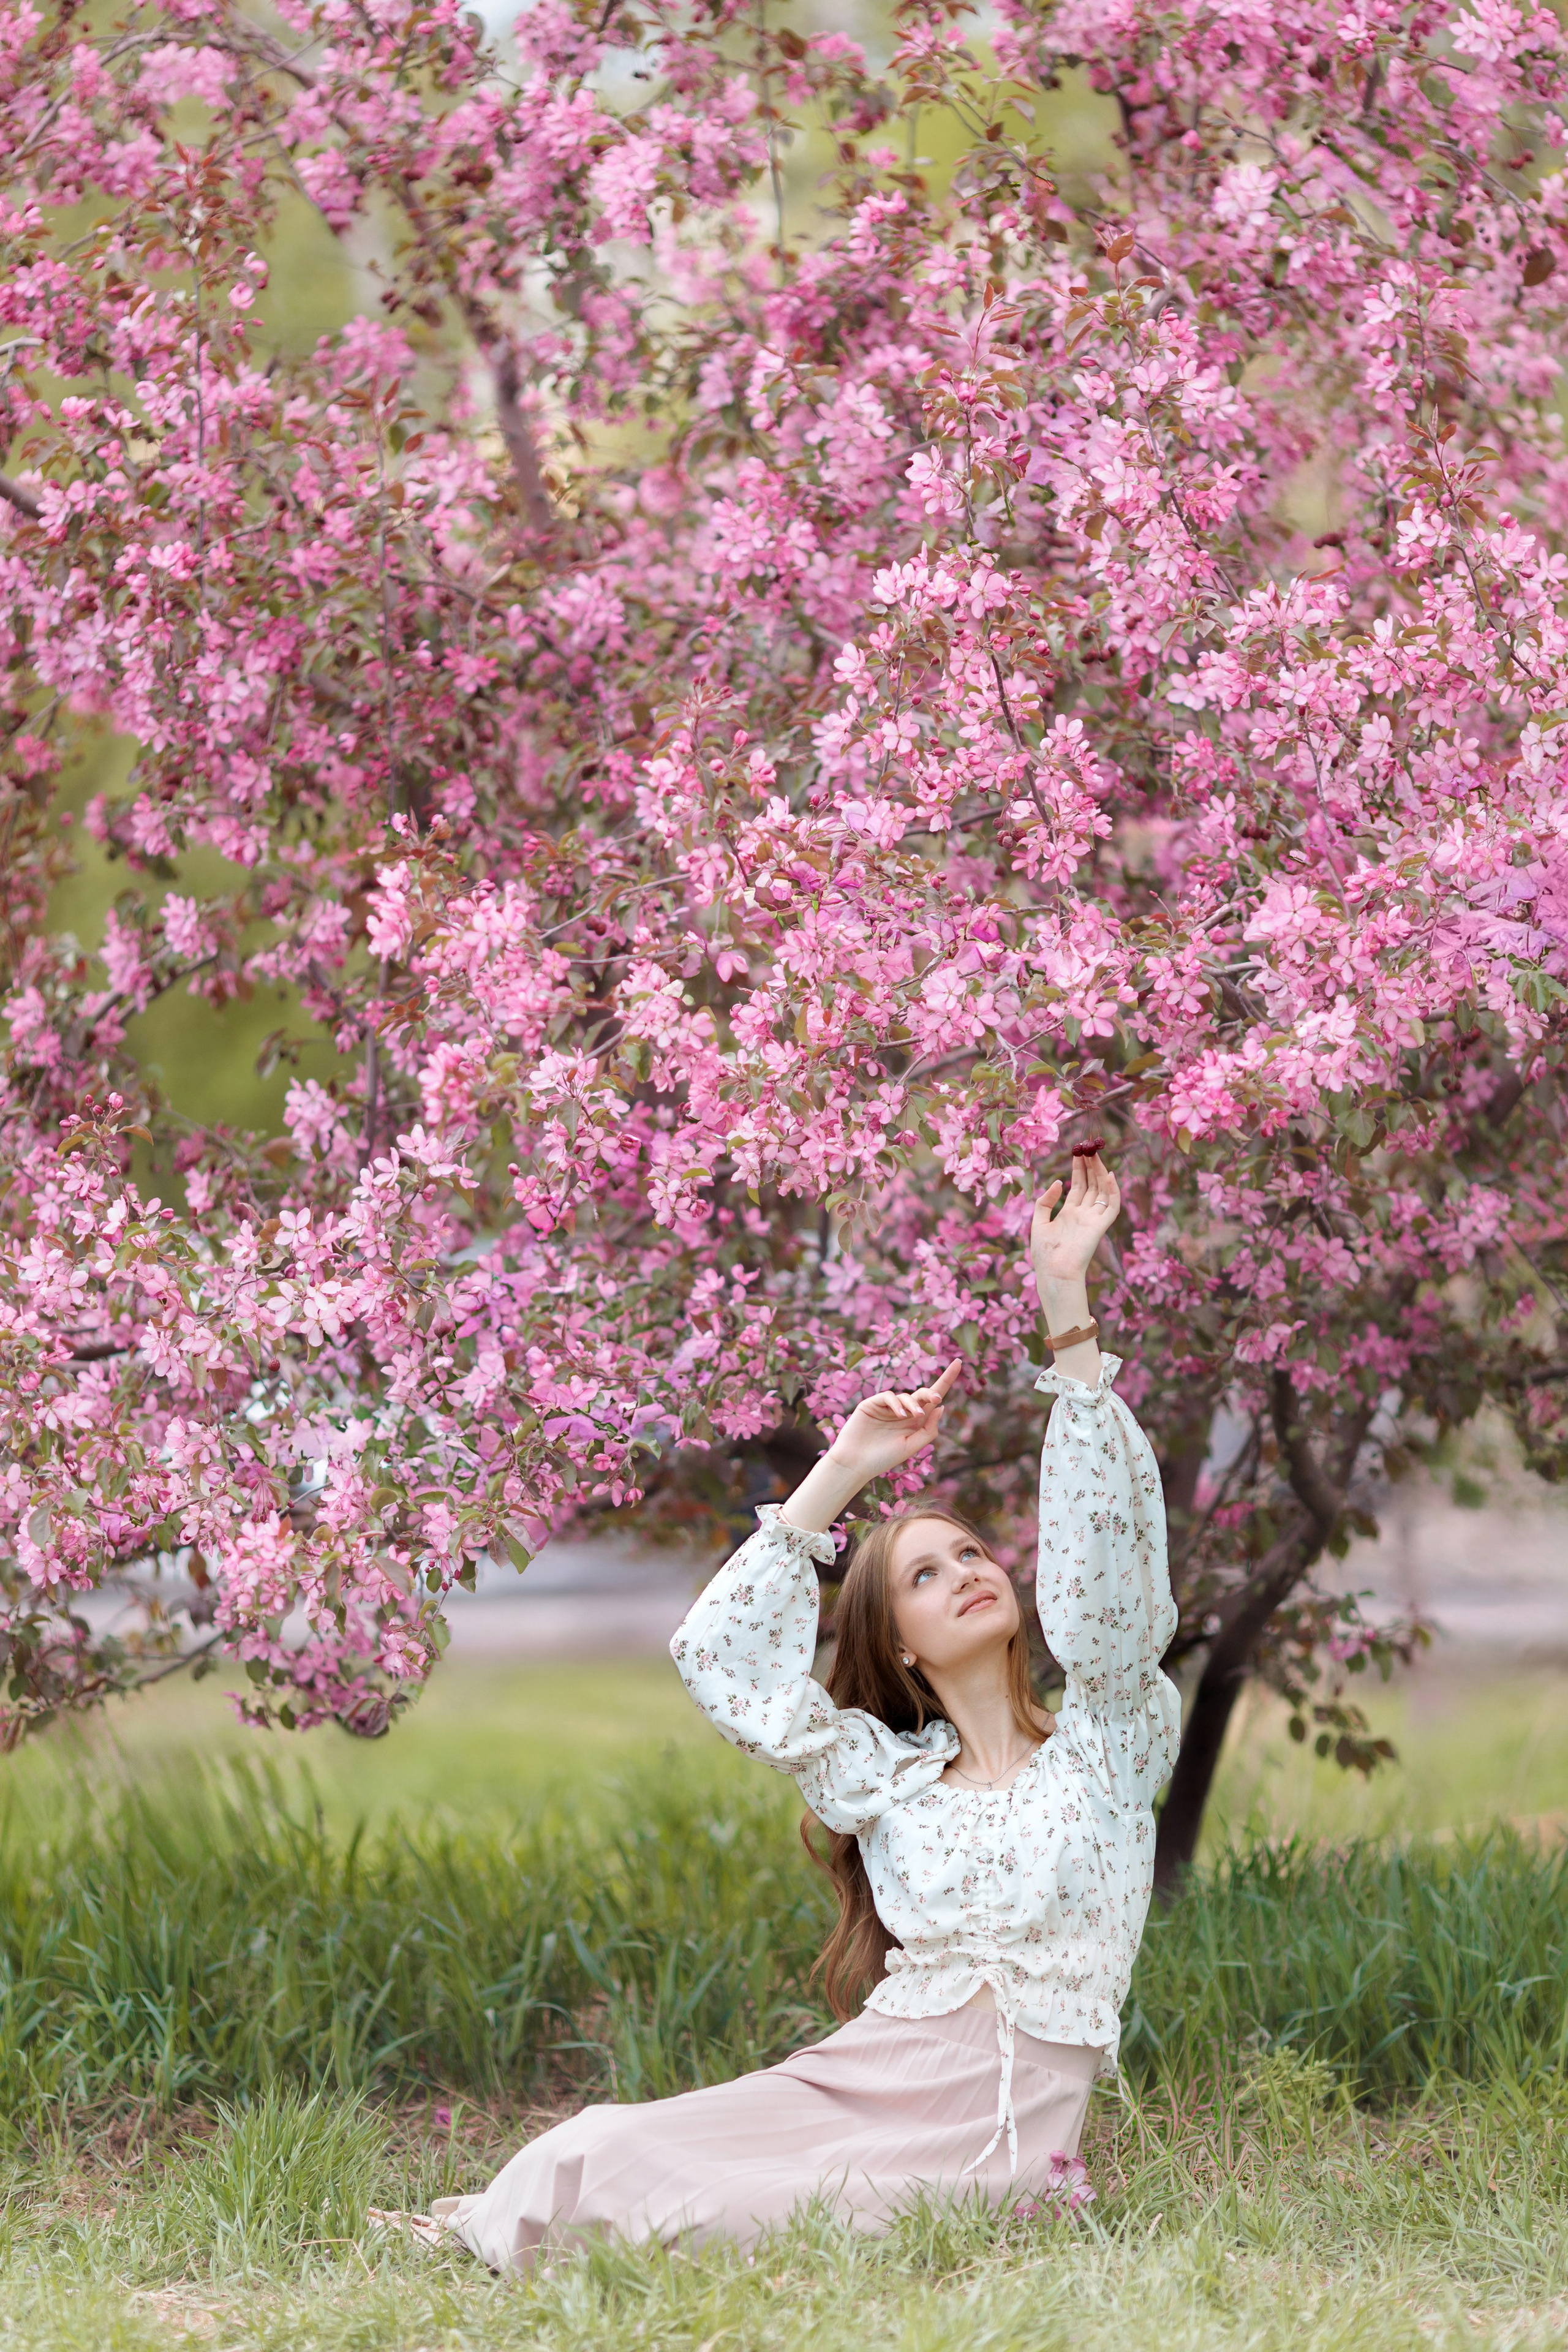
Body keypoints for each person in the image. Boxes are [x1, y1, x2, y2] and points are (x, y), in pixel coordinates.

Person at [429, 1150, 1180, 2271]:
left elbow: (1108, 1586)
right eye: (924, 1576)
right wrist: (844, 1464)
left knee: (747, 2222)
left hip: (992, 2137)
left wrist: (1064, 1303)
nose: (966, 1573)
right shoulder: (882, 1777)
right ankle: (514, 2222)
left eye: (972, 1554)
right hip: (860, 2078)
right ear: (898, 1647)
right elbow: (720, 1664)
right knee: (587, 2151)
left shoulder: (1107, 1747)